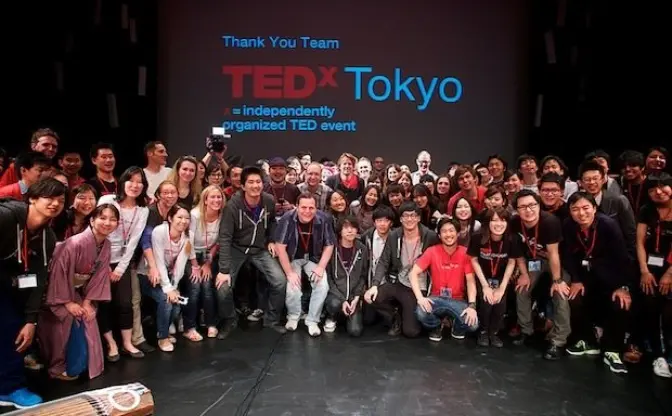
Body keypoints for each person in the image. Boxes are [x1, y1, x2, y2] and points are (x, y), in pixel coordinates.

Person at [0, 178, 66, 409]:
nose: (55, 204)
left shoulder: (48, 237)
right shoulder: (6, 218)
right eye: (49, 197)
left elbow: (38, 281)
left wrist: (31, 320)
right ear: (32, 198)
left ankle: (9, 388)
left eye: (60, 200)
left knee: (17, 329)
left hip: (12, 287)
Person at [38, 204, 119, 380]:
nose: (107, 223)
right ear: (92, 220)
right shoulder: (74, 243)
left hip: (76, 292)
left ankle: (80, 364)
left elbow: (99, 276)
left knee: (88, 316)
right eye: (102, 218)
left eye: (113, 219)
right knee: (66, 318)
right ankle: (58, 367)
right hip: (57, 293)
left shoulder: (106, 245)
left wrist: (87, 302)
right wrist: (68, 303)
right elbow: (58, 274)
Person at [562, 192, 631, 374]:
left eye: (585, 208)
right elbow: (568, 255)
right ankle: (588, 340)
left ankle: (612, 350)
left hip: (611, 276)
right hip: (586, 275)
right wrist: (576, 279)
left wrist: (622, 286)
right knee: (574, 298)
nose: (581, 213)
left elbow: (622, 257)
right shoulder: (569, 225)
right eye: (575, 209)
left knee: (620, 304)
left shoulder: (608, 225)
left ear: (594, 208)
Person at [216, 166, 288, 337]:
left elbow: (272, 223)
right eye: (251, 182)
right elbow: (225, 238)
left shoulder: (269, 201)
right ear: (243, 186)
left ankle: (271, 320)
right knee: (223, 286)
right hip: (237, 248)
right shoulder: (232, 206)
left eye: (258, 182)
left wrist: (271, 240)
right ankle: (230, 320)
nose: (255, 185)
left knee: (280, 281)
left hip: (259, 249)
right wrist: (224, 270)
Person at [509, 189, 571, 360]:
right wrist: (523, 274)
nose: (528, 210)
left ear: (538, 205)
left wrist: (557, 280)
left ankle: (559, 340)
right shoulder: (514, 222)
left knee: (560, 293)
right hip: (533, 261)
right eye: (522, 207)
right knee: (522, 288)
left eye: (532, 205)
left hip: (556, 262)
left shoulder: (550, 221)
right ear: (516, 210)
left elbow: (553, 254)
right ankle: (526, 330)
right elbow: (518, 252)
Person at [363, 202, 440, 337]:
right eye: (405, 216)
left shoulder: (430, 236)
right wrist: (374, 285)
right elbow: (383, 261)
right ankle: (395, 316)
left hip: (418, 286)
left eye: (413, 216)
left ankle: (410, 315)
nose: (409, 219)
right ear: (400, 219)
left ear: (419, 218)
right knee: (372, 297)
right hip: (399, 282)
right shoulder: (395, 236)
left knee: (411, 332)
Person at [274, 193, 335, 336]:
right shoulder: (287, 219)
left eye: (311, 208)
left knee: (322, 285)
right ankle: (293, 316)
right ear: (296, 207)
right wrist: (289, 273)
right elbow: (280, 247)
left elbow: (329, 245)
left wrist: (320, 267)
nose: (307, 211)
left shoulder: (324, 219)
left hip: (313, 258)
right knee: (292, 286)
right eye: (303, 207)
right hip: (293, 257)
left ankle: (312, 320)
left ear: (316, 208)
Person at [411, 218, 479, 342]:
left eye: (451, 231)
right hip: (436, 298)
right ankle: (436, 326)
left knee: (473, 324)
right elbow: (413, 273)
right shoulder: (432, 251)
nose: (448, 234)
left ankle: (457, 327)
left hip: (457, 300)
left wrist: (472, 306)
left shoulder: (465, 253)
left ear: (458, 233)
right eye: (444, 231)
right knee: (420, 312)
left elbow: (470, 281)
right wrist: (420, 298)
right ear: (439, 235)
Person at [468, 207, 520, 347]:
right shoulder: (478, 238)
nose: (498, 224)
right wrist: (485, 286)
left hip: (501, 279)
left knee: (500, 304)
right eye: (494, 220)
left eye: (503, 220)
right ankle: (483, 331)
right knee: (486, 301)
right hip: (482, 277)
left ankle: (494, 332)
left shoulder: (512, 239)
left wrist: (503, 287)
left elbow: (511, 262)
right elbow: (473, 260)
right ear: (487, 223)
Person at [325, 216, 369, 336]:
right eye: (346, 228)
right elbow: (328, 276)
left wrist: (356, 298)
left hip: (353, 296)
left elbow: (363, 276)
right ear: (340, 231)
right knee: (334, 304)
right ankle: (331, 316)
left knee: (355, 331)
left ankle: (346, 316)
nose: (350, 231)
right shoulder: (332, 248)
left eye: (353, 227)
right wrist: (342, 299)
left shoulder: (362, 249)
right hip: (336, 294)